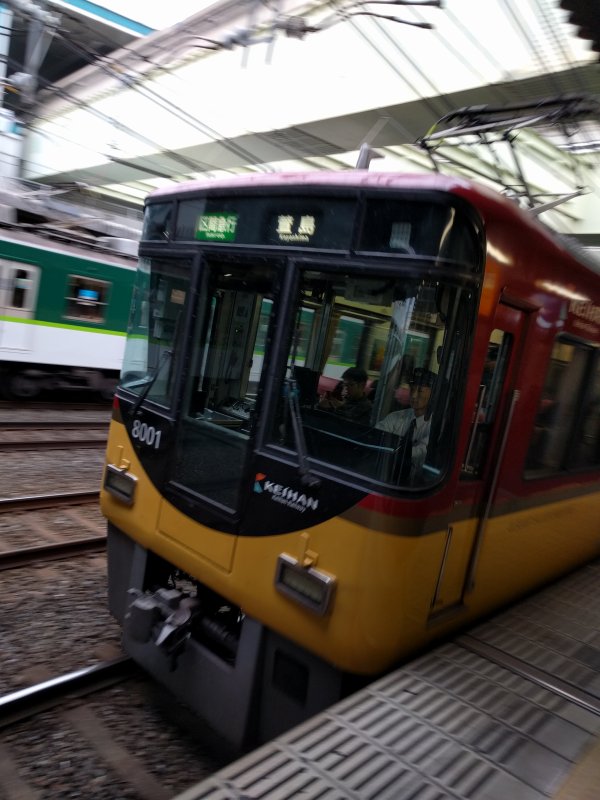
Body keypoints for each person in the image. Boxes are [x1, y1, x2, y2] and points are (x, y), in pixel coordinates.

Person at [376, 367, 436, 481]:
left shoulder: (434, 427)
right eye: (412, 389)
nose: (413, 395)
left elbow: (420, 453)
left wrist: (391, 452)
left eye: (420, 391)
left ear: (433, 394)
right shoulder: (396, 417)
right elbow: (377, 437)